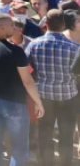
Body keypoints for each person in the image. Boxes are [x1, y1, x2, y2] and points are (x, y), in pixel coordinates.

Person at [0, 14, 45, 166]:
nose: (15, 28)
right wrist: (39, 102)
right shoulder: (15, 51)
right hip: (14, 103)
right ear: (1, 27)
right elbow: (27, 81)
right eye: (12, 25)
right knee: (19, 147)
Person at [25, 9, 79, 166]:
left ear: (46, 23)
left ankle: (46, 162)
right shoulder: (74, 47)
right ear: (63, 25)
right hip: (68, 95)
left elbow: (27, 69)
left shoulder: (34, 45)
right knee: (67, 134)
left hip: (43, 96)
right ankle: (65, 162)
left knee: (45, 132)